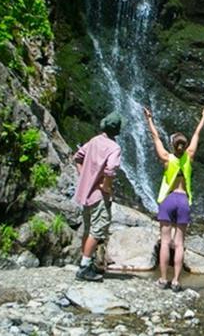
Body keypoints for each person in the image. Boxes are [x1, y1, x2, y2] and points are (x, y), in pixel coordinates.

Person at [142, 103, 204, 291]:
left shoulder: (166, 157)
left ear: (173, 145)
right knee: (179, 244)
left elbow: (155, 137)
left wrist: (149, 119)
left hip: (168, 199)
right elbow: (197, 135)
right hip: (183, 200)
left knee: (165, 242)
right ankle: (176, 281)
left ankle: (163, 279)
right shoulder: (189, 156)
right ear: (185, 145)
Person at [72, 112, 123, 282]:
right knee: (98, 228)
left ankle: (86, 262)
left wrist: (84, 177)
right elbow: (110, 169)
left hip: (86, 193)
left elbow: (77, 157)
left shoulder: (94, 141)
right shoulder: (114, 148)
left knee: (88, 228)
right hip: (99, 195)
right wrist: (106, 187)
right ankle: (84, 267)